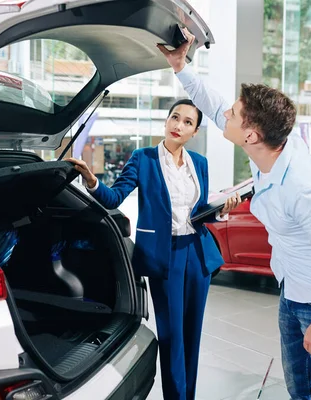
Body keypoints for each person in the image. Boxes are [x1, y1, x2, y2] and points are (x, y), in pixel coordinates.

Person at [158, 28, 311, 400]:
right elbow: (213, 103)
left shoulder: (304, 187)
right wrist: (181, 67)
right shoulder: (270, 149)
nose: (225, 114)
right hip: (293, 292)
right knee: (299, 391)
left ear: (251, 135)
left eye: (235, 114)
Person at [67, 99, 241, 400]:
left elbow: (198, 210)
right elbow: (114, 197)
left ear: (195, 131)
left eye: (187, 122)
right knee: (172, 337)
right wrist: (92, 180)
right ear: (166, 121)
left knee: (191, 335)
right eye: (175, 117)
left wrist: (220, 210)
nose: (179, 125)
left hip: (197, 255)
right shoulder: (143, 158)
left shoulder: (199, 163)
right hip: (165, 256)